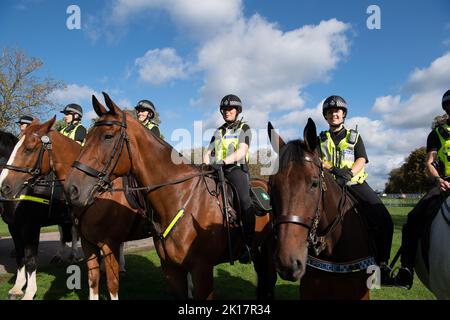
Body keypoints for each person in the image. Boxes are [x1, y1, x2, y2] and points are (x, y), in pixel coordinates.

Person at [318, 95, 394, 285]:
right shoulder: (320, 138)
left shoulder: (354, 136)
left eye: (337, 111)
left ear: (343, 114)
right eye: (330, 112)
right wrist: (331, 170)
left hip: (354, 183)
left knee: (384, 220)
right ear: (326, 116)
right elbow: (318, 160)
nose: (334, 114)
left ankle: (381, 266)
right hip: (330, 185)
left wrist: (349, 173)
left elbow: (361, 159)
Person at [394, 89, 450, 289]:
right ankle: (406, 269)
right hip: (445, 183)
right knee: (413, 218)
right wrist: (438, 180)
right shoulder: (436, 134)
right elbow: (430, 162)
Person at [203, 94, 254, 264]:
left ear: (237, 111)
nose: (227, 112)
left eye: (230, 109)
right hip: (215, 170)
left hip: (235, 170)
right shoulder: (218, 131)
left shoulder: (244, 128)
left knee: (245, 202)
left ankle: (249, 244)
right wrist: (205, 165)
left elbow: (242, 151)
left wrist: (223, 161)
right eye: (224, 109)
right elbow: (207, 152)